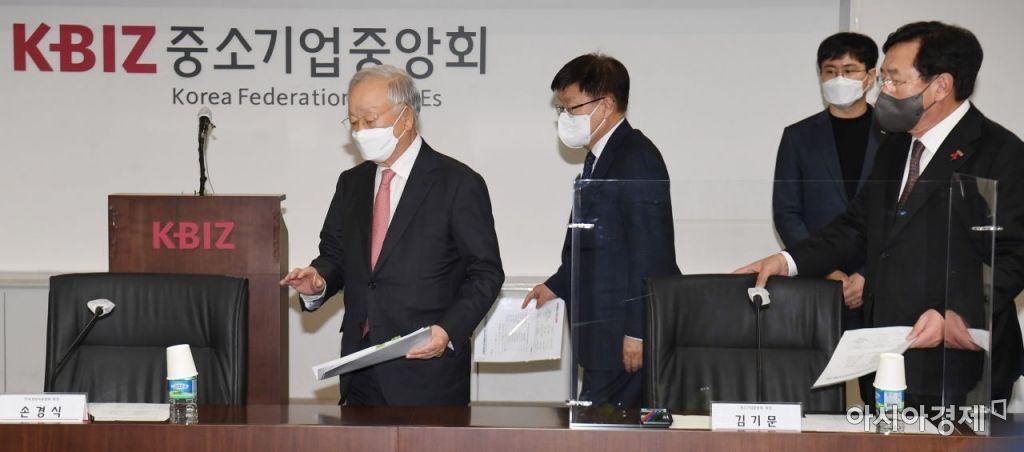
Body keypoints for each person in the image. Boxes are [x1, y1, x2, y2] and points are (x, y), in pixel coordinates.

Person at [739, 22, 1024, 409]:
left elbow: (1013, 255)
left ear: (941, 86)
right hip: (889, 358)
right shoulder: (896, 147)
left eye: (894, 80)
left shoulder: (1001, 153)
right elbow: (857, 227)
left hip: (962, 364)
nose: (882, 91)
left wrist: (955, 315)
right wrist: (788, 261)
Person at [281, 65, 504, 406]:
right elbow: (335, 255)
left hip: (427, 371)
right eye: (353, 122)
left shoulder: (457, 183)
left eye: (369, 120)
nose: (359, 132)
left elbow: (486, 272)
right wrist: (319, 282)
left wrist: (447, 330)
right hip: (359, 369)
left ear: (406, 118)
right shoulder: (351, 183)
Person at [522, 53, 681, 409]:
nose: (565, 118)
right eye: (562, 109)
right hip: (600, 333)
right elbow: (594, 245)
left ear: (606, 104)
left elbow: (650, 252)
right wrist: (556, 284)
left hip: (623, 335)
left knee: (609, 430)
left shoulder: (636, 158)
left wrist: (637, 331)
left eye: (571, 108)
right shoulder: (598, 157)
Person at [773, 32, 881, 333]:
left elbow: (901, 216)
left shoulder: (894, 137)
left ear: (871, 76)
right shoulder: (798, 137)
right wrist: (824, 267)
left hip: (877, 284)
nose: (838, 79)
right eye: (830, 71)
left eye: (849, 71)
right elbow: (786, 212)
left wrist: (867, 273)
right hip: (817, 285)